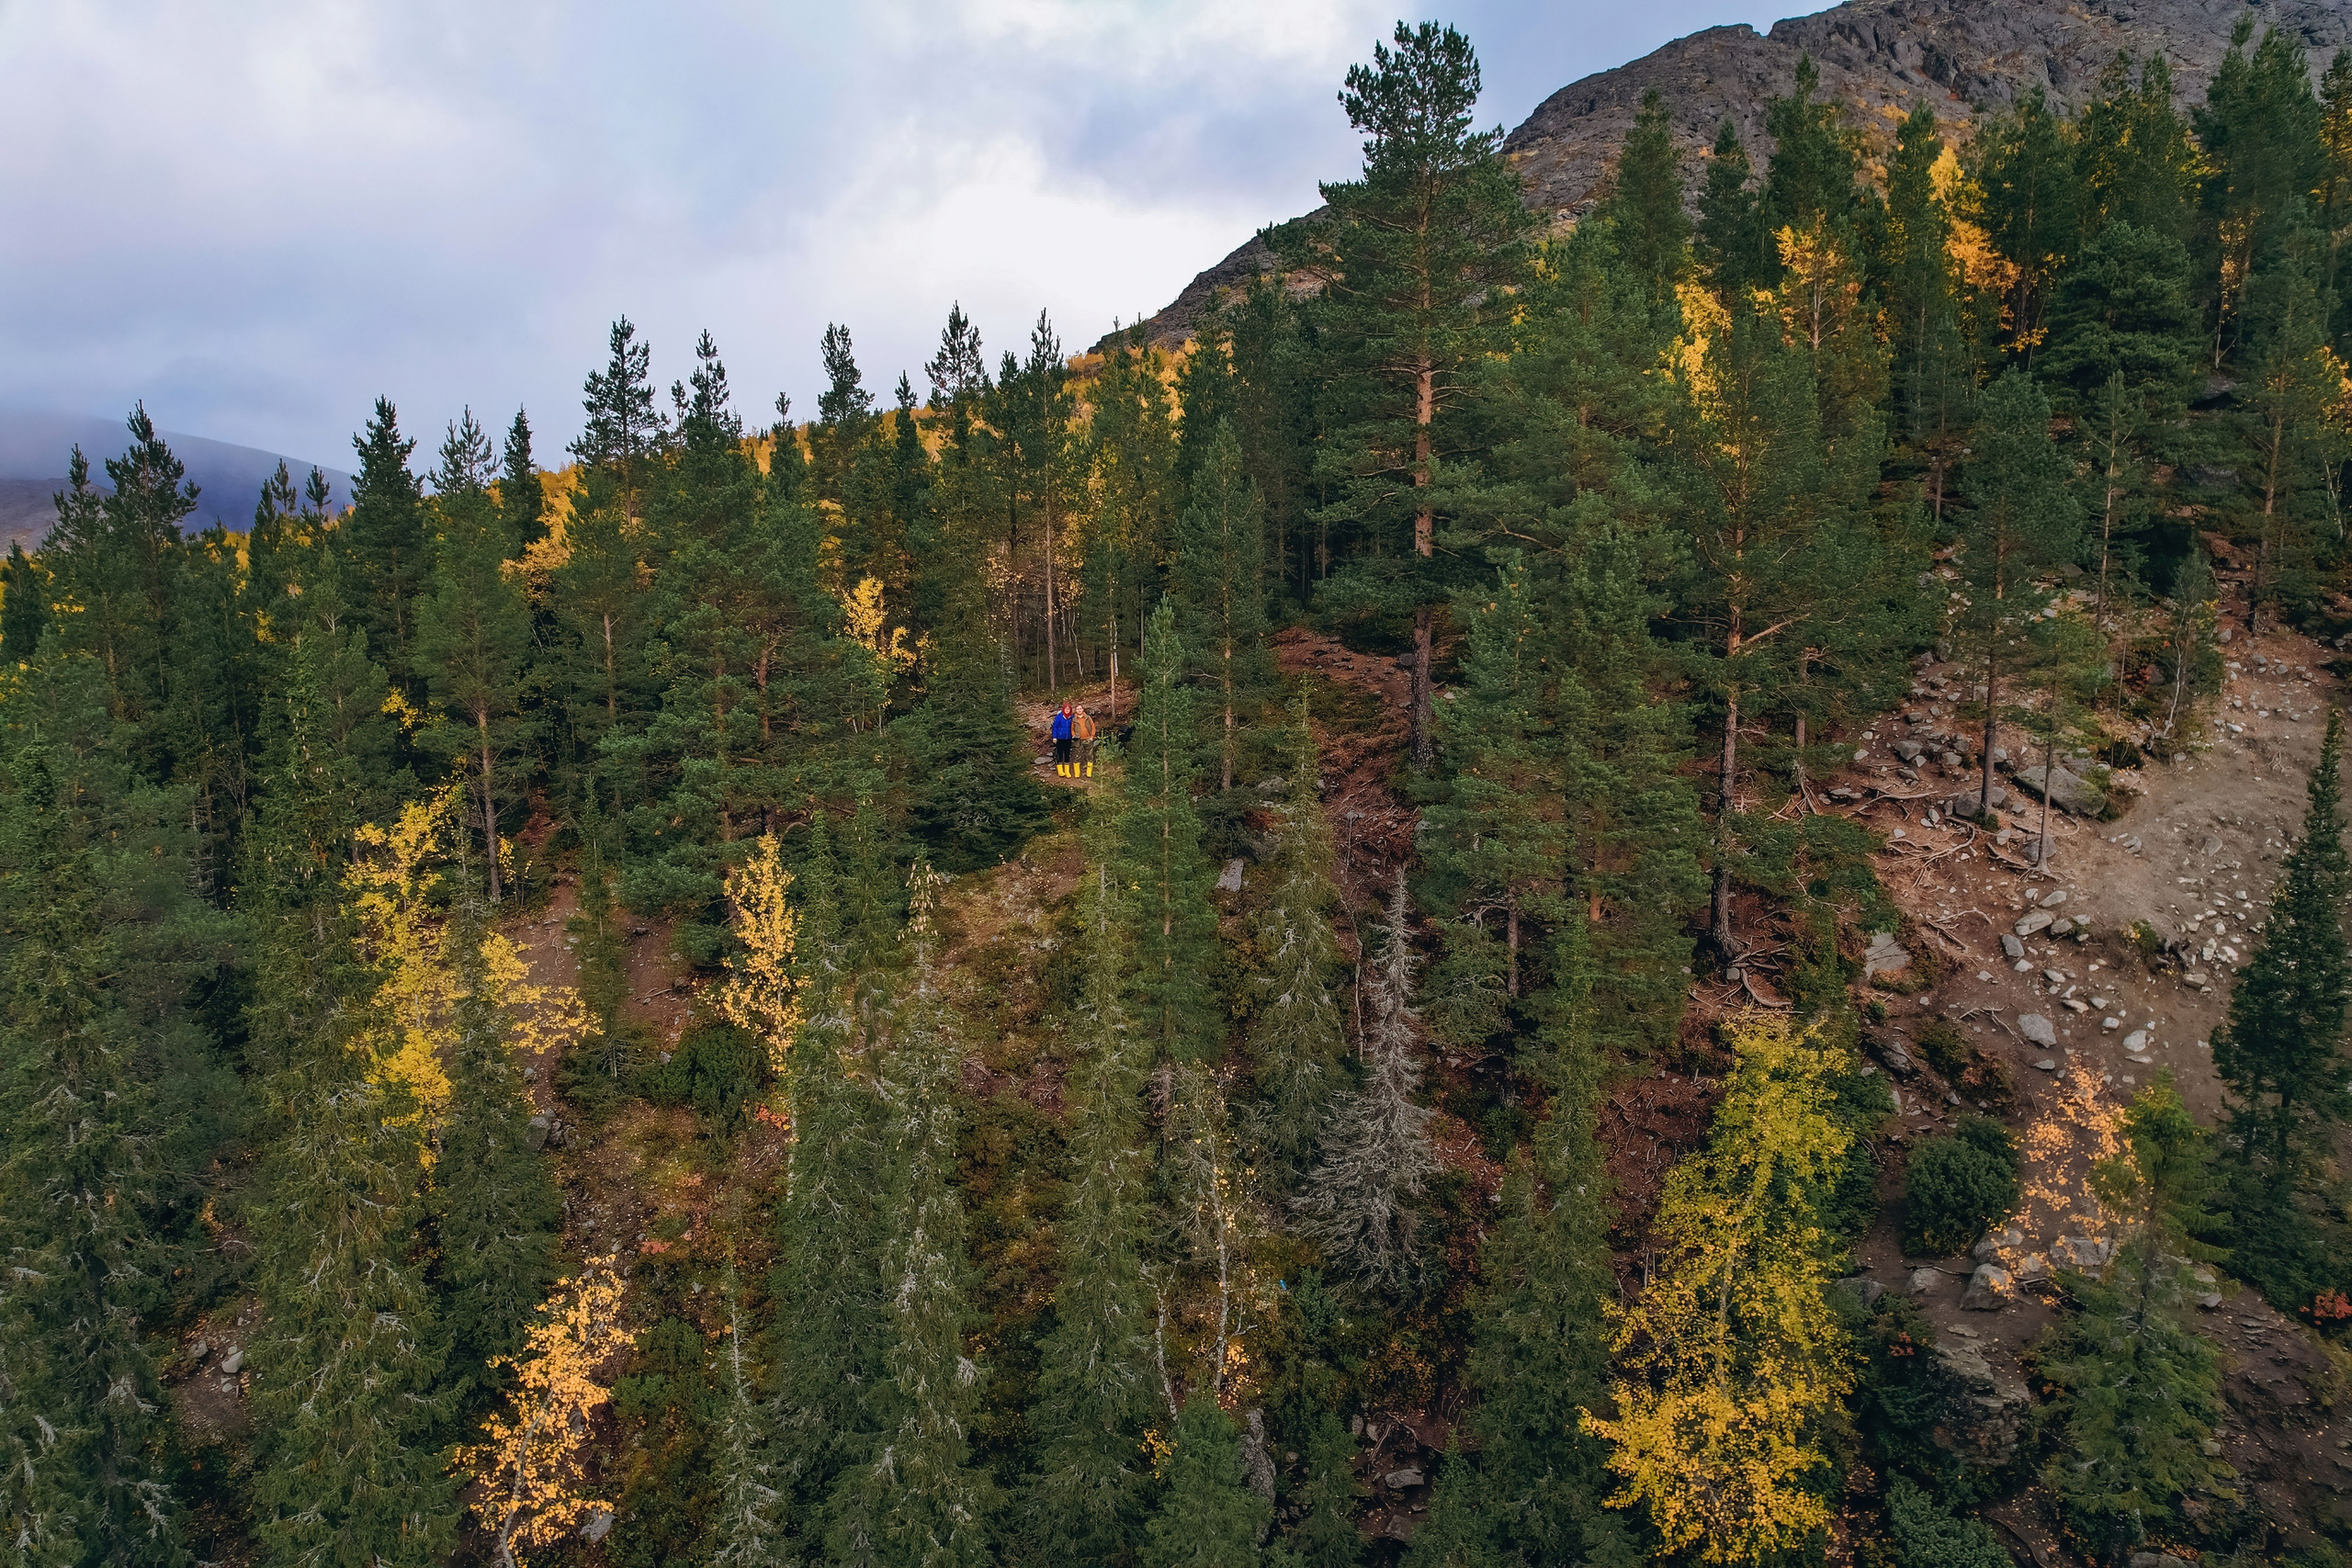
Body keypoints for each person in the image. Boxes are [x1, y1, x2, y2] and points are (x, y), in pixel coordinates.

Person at [1072, 702, 1098, 778]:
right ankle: (1077, 773)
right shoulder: (1074, 719)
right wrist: (1073, 735)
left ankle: (1089, 772)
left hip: (1087, 739)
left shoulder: (1088, 718)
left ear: (1083, 709)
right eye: (1077, 709)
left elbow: (1093, 727)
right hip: (1078, 740)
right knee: (1077, 756)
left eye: (1080, 709)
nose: (1079, 710)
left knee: (1090, 755)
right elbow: (1072, 729)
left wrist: (1092, 737)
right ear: (1075, 710)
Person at [1050, 700, 1074, 777]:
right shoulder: (1059, 717)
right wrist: (1054, 737)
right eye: (1066, 709)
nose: (1067, 711)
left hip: (1068, 738)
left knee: (1067, 754)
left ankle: (1067, 771)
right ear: (1063, 709)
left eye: (1069, 709)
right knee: (1060, 754)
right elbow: (1055, 727)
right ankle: (1060, 771)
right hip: (1060, 738)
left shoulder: (1071, 717)